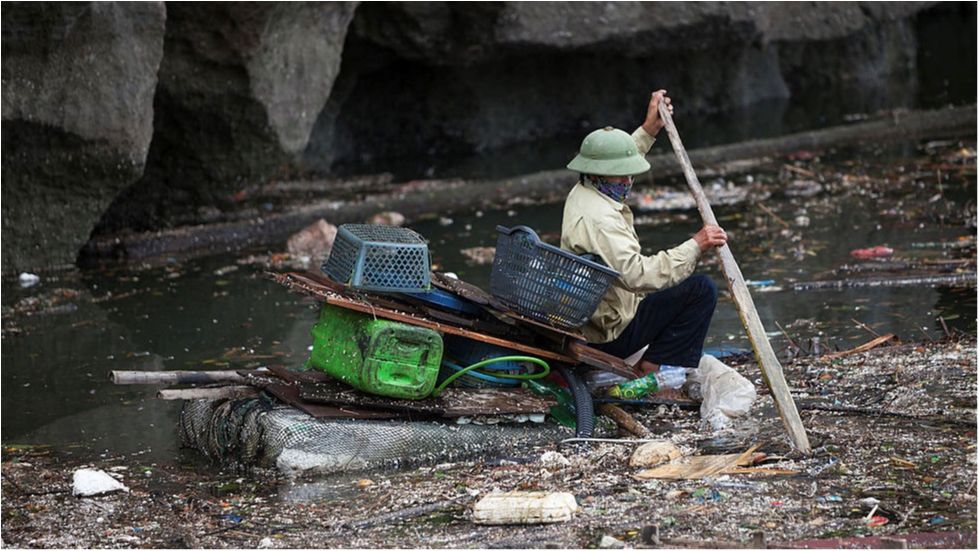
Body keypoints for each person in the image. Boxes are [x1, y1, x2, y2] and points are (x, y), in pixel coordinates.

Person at [560, 90, 728, 378]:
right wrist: (695, 245)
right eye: (621, 176)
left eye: (629, 174)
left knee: (681, 288)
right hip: (609, 335)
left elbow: (619, 160)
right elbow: (638, 277)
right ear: (598, 174)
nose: (628, 181)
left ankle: (652, 359)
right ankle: (649, 367)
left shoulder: (584, 189)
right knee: (701, 290)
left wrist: (649, 130)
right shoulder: (600, 220)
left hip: (597, 315)